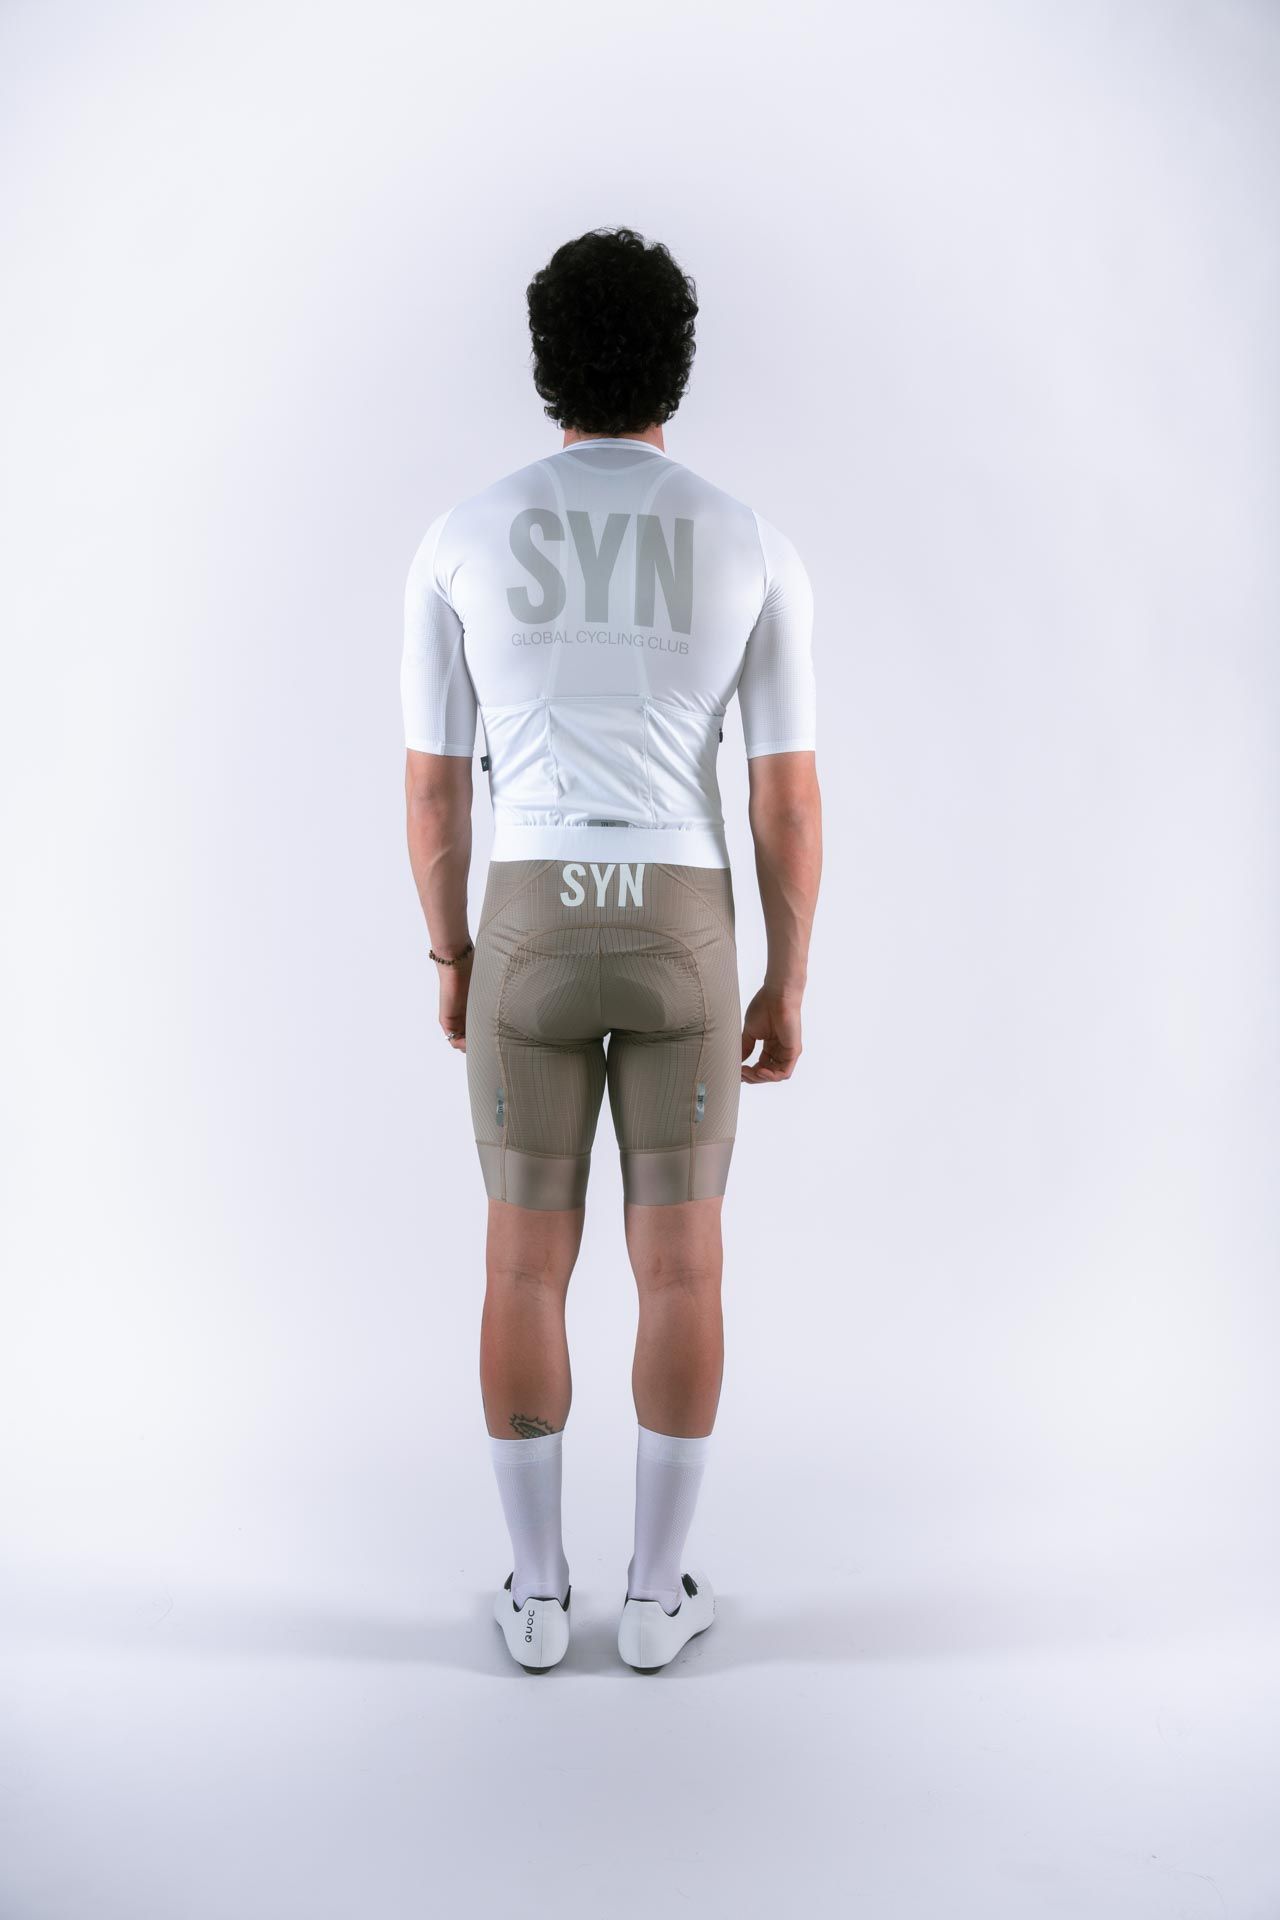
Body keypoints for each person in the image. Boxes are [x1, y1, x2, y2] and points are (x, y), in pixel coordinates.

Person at [400, 226, 822, 1673]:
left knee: (523, 1264)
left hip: (527, 915)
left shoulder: (460, 537)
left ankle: (534, 1598)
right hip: (682, 923)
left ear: (545, 367)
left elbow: (434, 796)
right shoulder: (751, 541)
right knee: (682, 1269)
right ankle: (651, 1600)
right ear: (677, 368)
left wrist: (452, 955)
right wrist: (787, 978)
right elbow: (784, 800)